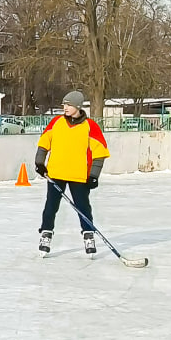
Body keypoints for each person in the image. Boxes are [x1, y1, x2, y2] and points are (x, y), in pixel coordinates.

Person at [34, 90, 111, 256]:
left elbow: (100, 153)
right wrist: (40, 163)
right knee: (50, 207)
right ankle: (46, 234)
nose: (65, 107)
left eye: (68, 104)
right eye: (64, 104)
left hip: (79, 175)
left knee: (83, 208)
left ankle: (88, 235)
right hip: (56, 173)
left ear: (77, 106)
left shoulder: (90, 126)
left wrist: (93, 176)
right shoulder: (56, 122)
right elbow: (43, 143)